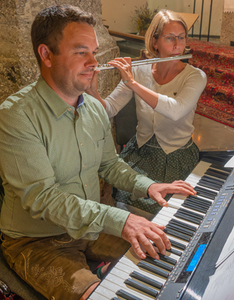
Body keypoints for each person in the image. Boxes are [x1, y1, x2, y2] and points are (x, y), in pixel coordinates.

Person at [0, 5, 197, 300]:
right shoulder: (16, 116)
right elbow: (42, 198)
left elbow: (109, 165)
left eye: (94, 52)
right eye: (81, 52)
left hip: (90, 227)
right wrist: (123, 220)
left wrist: (148, 185)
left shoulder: (93, 107)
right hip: (37, 240)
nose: (94, 62)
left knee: (168, 259)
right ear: (46, 54)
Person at [87, 9, 207, 218]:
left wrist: (132, 83)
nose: (178, 45)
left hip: (175, 154)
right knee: (125, 206)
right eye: (170, 38)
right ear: (155, 41)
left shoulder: (195, 77)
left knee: (165, 214)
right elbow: (109, 109)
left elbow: (176, 111)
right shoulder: (140, 71)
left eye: (181, 38)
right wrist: (92, 90)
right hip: (140, 151)